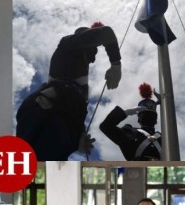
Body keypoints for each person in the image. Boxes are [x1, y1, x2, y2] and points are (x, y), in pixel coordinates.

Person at [16, 22, 122, 160]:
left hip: (57, 121)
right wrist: (116, 64)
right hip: (46, 115)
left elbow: (71, 106)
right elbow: (106, 33)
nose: (94, 56)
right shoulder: (69, 44)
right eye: (93, 48)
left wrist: (77, 139)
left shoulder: (78, 78)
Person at [100, 83, 162, 161]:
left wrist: (166, 102)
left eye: (152, 116)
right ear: (139, 119)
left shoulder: (164, 137)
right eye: (144, 115)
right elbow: (106, 126)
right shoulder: (129, 131)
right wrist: (126, 112)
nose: (148, 117)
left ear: (156, 120)